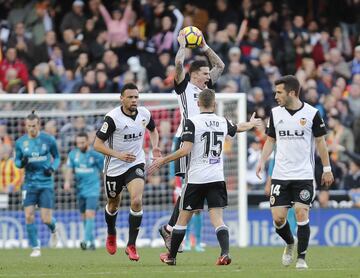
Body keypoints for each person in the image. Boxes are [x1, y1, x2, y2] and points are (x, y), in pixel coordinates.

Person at [148, 88, 262, 265]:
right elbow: (238, 128)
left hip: (196, 178)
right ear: (214, 104)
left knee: (182, 219)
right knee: (217, 219)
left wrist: (164, 160)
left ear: (198, 103)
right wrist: (251, 123)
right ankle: (224, 253)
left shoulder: (192, 122)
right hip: (217, 177)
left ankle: (171, 257)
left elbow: (185, 149)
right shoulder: (221, 121)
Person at [256, 75, 334, 269]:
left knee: (301, 212)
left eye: (279, 92)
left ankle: (301, 258)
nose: (275, 96)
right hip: (280, 175)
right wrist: (261, 161)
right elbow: (271, 140)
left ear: (292, 93)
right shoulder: (275, 113)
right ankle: (290, 243)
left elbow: (320, 143)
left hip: (304, 175)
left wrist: (327, 168)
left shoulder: (312, 113)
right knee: (278, 218)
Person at [159, 27, 225, 252]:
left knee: (192, 190)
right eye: (205, 73)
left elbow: (221, 66)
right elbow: (178, 66)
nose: (209, 76)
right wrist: (183, 46)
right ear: (195, 74)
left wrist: (205, 46)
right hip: (185, 139)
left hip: (202, 143)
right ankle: (170, 229)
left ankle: (170, 229)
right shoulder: (184, 87)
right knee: (188, 189)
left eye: (208, 74)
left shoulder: (207, 90)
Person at [93, 83, 161, 261]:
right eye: (130, 97)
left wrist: (155, 148)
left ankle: (131, 244)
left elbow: (153, 131)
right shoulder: (112, 118)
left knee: (137, 200)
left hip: (135, 163)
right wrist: (119, 155)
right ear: (121, 98)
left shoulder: (145, 114)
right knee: (114, 203)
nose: (134, 100)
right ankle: (111, 233)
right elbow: (97, 144)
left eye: (136, 97)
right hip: (114, 166)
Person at [14, 111, 60, 257]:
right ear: (25, 126)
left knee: (46, 218)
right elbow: (16, 162)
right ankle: (35, 247)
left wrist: (52, 168)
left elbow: (57, 157)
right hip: (29, 184)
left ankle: (53, 228)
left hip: (46, 183)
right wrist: (21, 163)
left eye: (33, 126)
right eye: (28, 126)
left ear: (38, 124)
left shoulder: (48, 139)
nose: (31, 129)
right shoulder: (20, 142)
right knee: (28, 216)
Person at [64, 132, 104, 250]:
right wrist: (67, 182)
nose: (80, 145)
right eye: (78, 143)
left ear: (87, 142)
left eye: (82, 142)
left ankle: (85, 241)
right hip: (80, 189)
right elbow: (69, 169)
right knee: (83, 216)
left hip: (93, 189)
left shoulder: (95, 155)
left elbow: (104, 171)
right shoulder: (73, 154)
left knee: (89, 214)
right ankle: (92, 243)